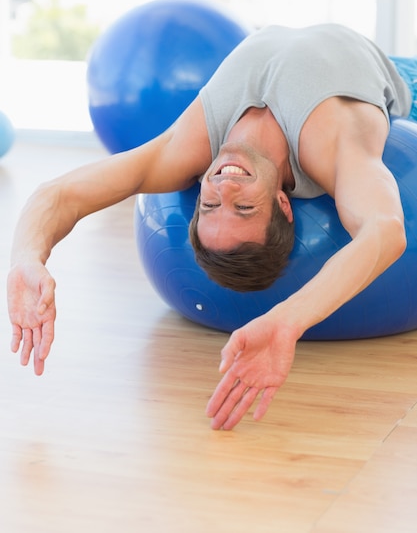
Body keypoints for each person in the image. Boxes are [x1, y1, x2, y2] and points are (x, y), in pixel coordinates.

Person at [7, 23, 416, 431]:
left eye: (209, 204)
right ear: (282, 204)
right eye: (242, 207)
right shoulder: (332, 143)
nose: (224, 185)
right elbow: (384, 230)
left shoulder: (189, 149)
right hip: (402, 79)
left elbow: (57, 196)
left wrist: (25, 258)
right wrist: (288, 321)